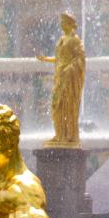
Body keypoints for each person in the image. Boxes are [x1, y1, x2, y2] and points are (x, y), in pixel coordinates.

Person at [37, 12, 85, 147]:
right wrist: (46, 59)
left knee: (67, 107)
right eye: (61, 22)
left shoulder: (75, 40)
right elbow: (60, 59)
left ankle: (68, 136)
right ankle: (59, 135)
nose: (61, 24)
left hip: (69, 80)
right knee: (56, 106)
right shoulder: (62, 39)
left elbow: (80, 60)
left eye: (63, 22)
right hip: (60, 78)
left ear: (70, 24)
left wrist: (69, 70)